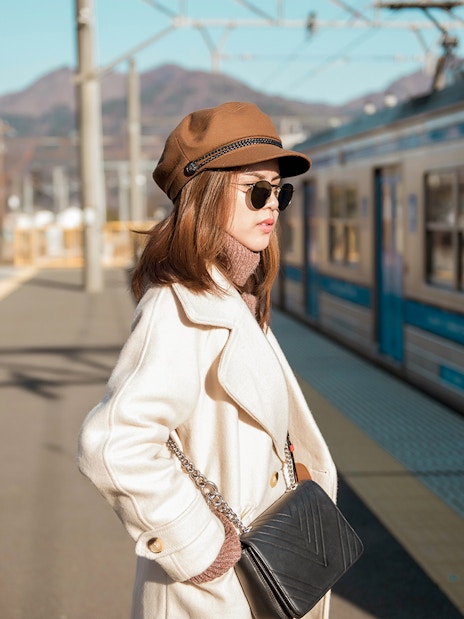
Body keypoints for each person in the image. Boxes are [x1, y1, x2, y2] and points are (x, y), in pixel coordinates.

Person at [77, 101, 336, 619]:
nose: (273, 206)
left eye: (279, 192)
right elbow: (112, 444)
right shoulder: (178, 306)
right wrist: (195, 543)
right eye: (257, 190)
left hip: (262, 572)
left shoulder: (232, 297)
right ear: (206, 194)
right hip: (216, 592)